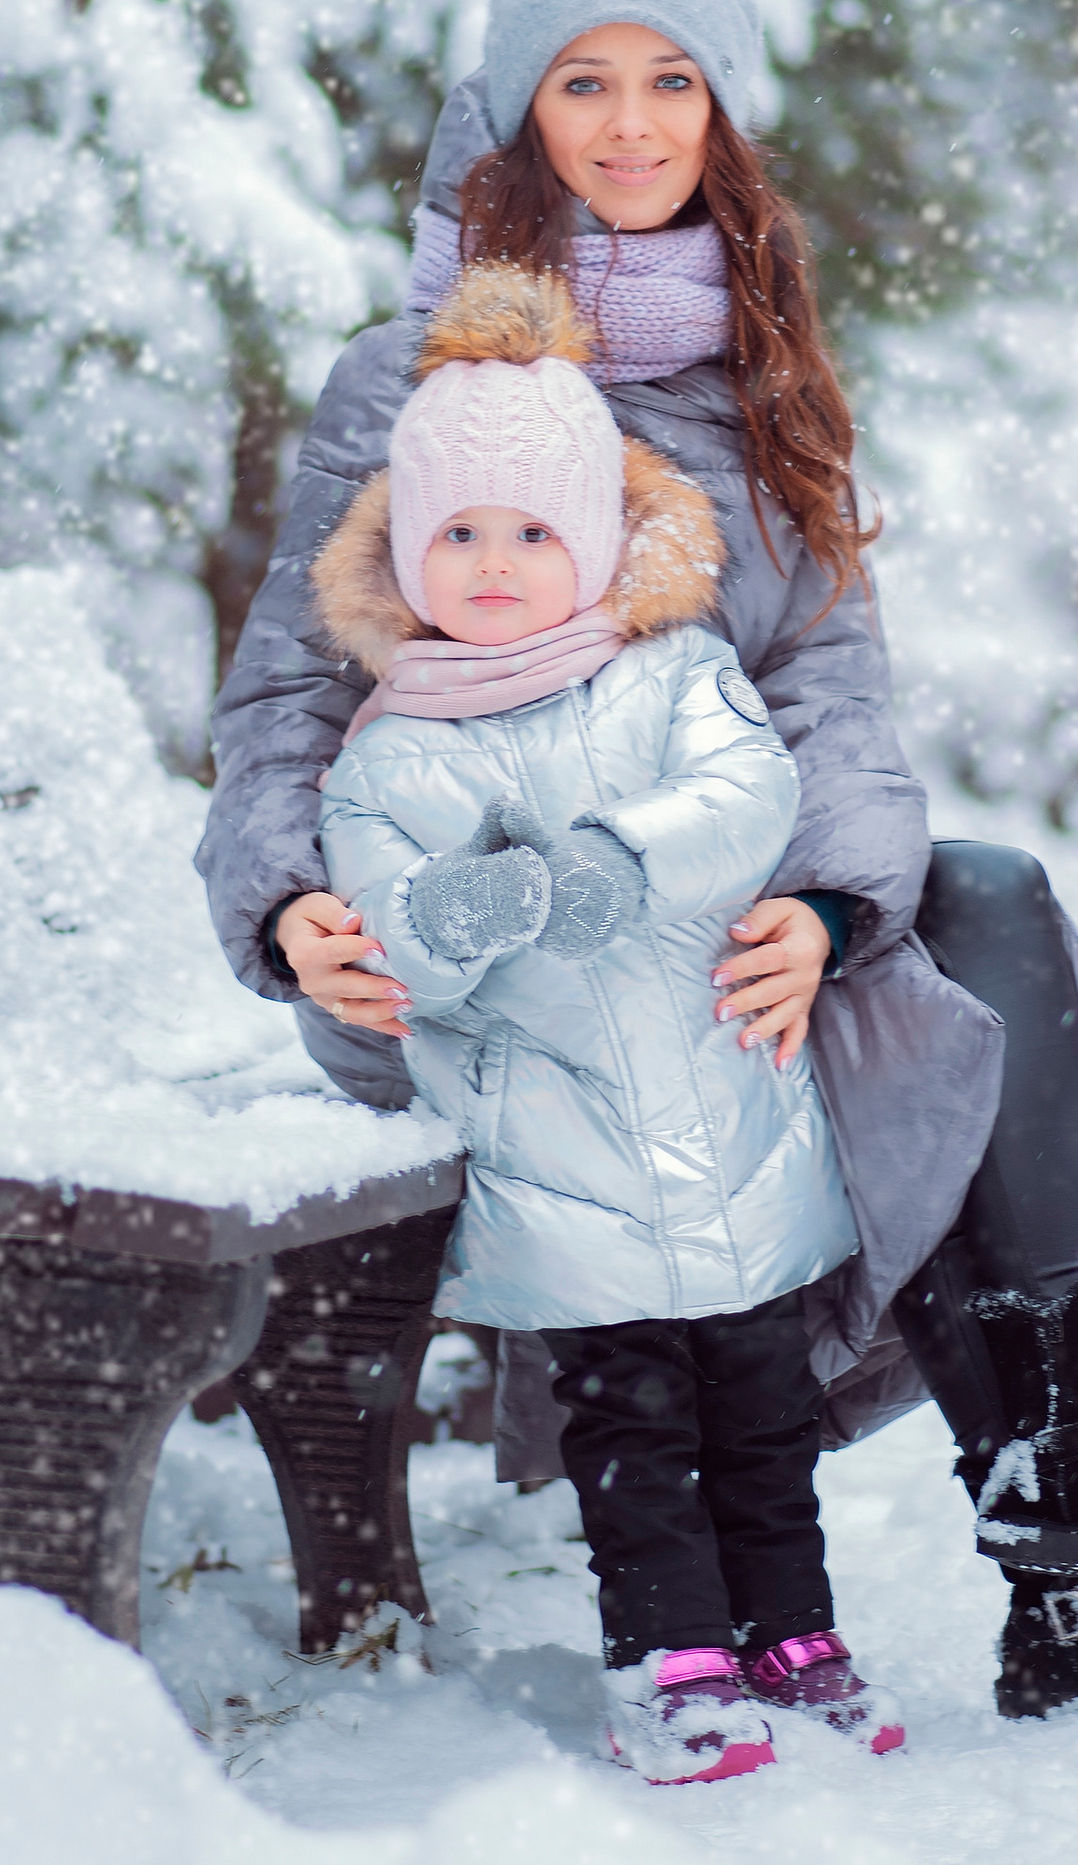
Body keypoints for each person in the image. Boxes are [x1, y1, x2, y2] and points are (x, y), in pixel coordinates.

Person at [198, 0, 1078, 1720]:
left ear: (722, 118)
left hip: (704, 908)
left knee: (966, 910)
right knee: (925, 1015)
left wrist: (822, 906)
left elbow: (830, 697)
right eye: (584, 83)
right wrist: (286, 912)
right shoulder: (409, 380)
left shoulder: (761, 377)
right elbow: (281, 696)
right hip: (465, 948)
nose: (631, 124)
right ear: (515, 118)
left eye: (673, 83)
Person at [307, 259, 903, 1783]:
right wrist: (466, 913)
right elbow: (392, 929)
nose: (495, 565)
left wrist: (619, 860)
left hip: (728, 1120)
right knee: (629, 1430)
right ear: (406, 552)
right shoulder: (390, 755)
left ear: (594, 539)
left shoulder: (674, 672)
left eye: (531, 531)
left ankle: (791, 1631)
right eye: (458, 534)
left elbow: (749, 792)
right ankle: (669, 1661)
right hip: (557, 1155)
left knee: (764, 1413)